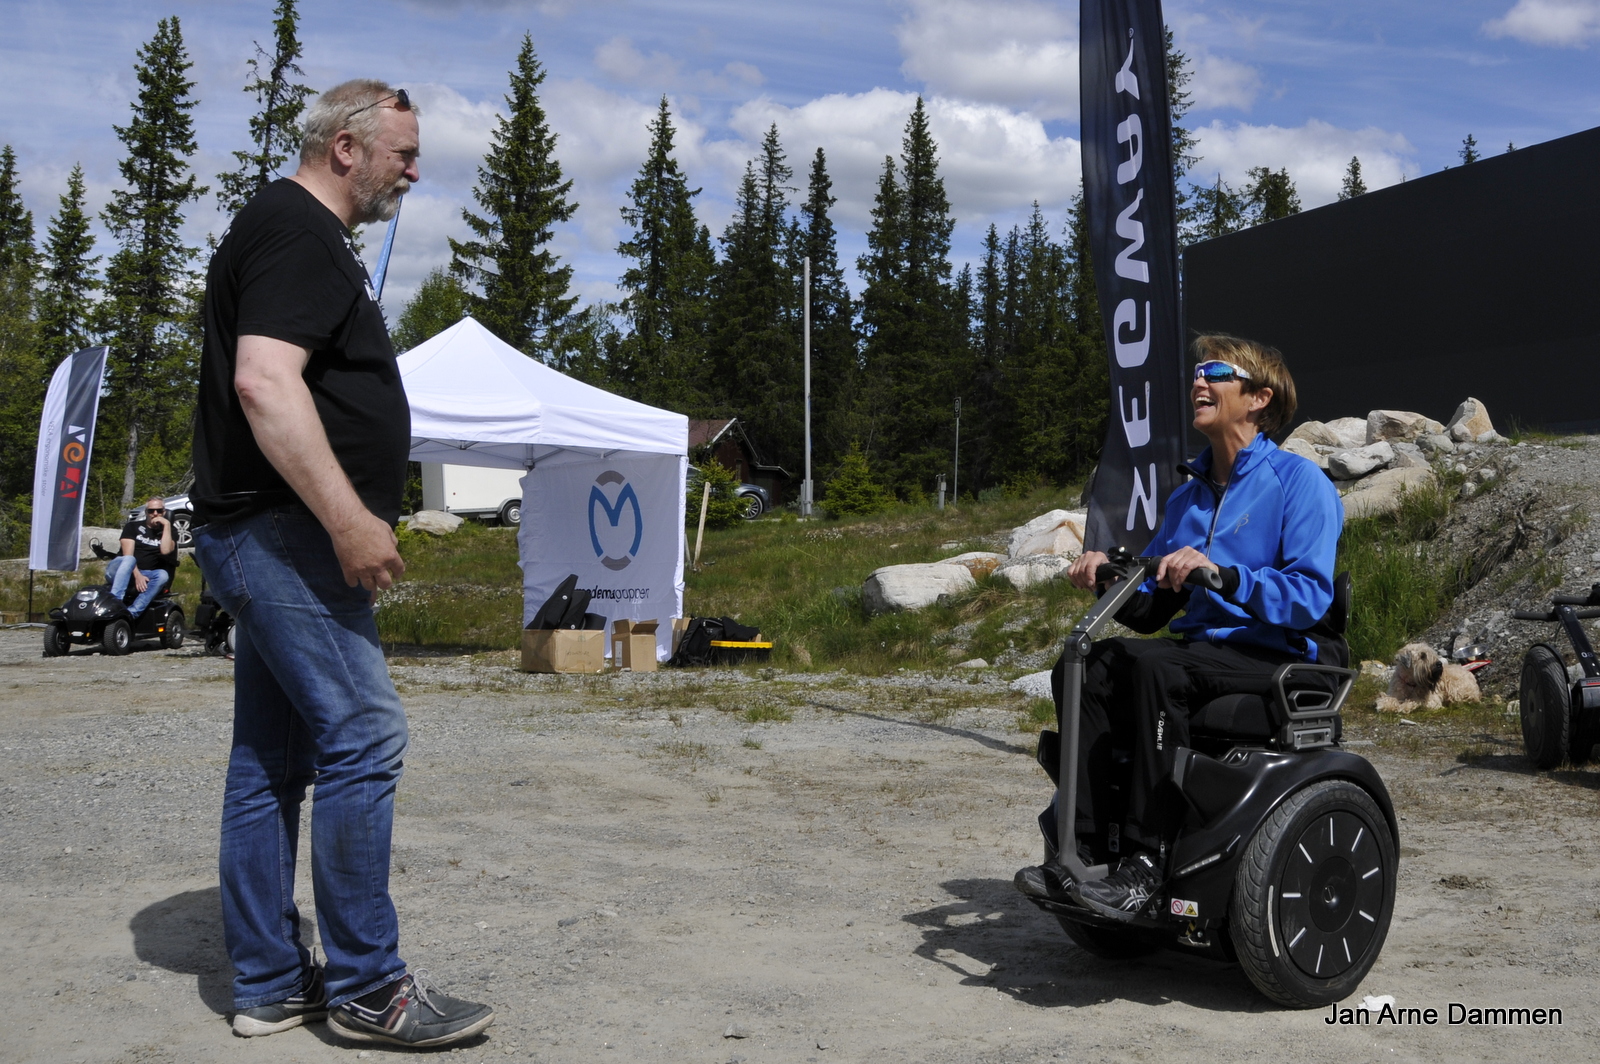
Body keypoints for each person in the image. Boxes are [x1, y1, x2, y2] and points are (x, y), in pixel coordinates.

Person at [192, 79, 495, 1046]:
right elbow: (263, 381)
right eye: (403, 152)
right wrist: (350, 520)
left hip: (267, 529)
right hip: (288, 533)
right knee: (364, 737)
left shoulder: (287, 228)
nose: (416, 168)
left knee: (270, 764)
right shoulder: (296, 232)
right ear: (346, 150)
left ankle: (273, 982)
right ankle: (368, 988)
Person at [1014, 334, 1343, 921]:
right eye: (1195, 372)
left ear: (1259, 397)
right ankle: (1082, 850)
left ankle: (1145, 864)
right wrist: (1106, 576)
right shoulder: (1186, 499)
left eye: (1216, 372)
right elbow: (1151, 609)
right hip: (1199, 654)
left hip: (1273, 654)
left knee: (1152, 667)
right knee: (1084, 663)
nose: (1199, 381)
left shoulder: (1300, 483)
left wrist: (1225, 577)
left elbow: (1310, 598)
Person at [107, 497, 177, 617]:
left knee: (162, 575)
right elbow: (127, 555)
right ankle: (116, 603)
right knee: (130, 559)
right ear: (146, 512)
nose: (155, 514)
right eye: (151, 511)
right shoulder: (132, 527)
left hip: (147, 573)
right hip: (121, 569)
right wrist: (138, 575)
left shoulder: (170, 530)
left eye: (159, 511)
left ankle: (132, 613)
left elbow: (165, 550)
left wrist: (166, 525)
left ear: (164, 512)